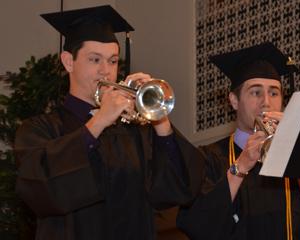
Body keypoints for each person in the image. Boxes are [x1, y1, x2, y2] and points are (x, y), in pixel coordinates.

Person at [14, 5, 203, 240]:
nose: (106, 72)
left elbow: (178, 190)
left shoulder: (135, 131)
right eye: (95, 60)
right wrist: (100, 121)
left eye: (113, 61)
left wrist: (159, 120)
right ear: (68, 62)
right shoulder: (41, 129)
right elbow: (41, 191)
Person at [177, 42, 300, 240]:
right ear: (234, 100)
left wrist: (299, 160)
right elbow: (197, 225)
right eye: (256, 92)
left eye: (274, 93)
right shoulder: (209, 158)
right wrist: (241, 165)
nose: (266, 101)